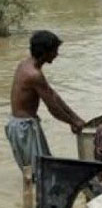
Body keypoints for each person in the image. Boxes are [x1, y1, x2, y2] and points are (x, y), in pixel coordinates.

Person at [5, 31, 85, 169]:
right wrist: (73, 123)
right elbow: (53, 108)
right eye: (55, 51)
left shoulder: (25, 64)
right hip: (24, 128)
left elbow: (52, 95)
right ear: (45, 53)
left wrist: (76, 118)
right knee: (39, 172)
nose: (56, 54)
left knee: (35, 170)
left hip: (18, 125)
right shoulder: (34, 75)